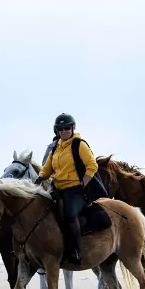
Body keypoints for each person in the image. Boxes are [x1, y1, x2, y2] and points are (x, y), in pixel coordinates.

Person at [36, 113, 106, 264]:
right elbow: (47, 168)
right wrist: (41, 176)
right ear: (57, 131)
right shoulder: (56, 148)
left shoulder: (79, 144)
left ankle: (76, 250)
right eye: (61, 129)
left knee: (69, 215)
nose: (64, 131)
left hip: (75, 190)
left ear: (72, 128)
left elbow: (92, 165)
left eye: (67, 128)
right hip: (58, 189)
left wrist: (83, 183)